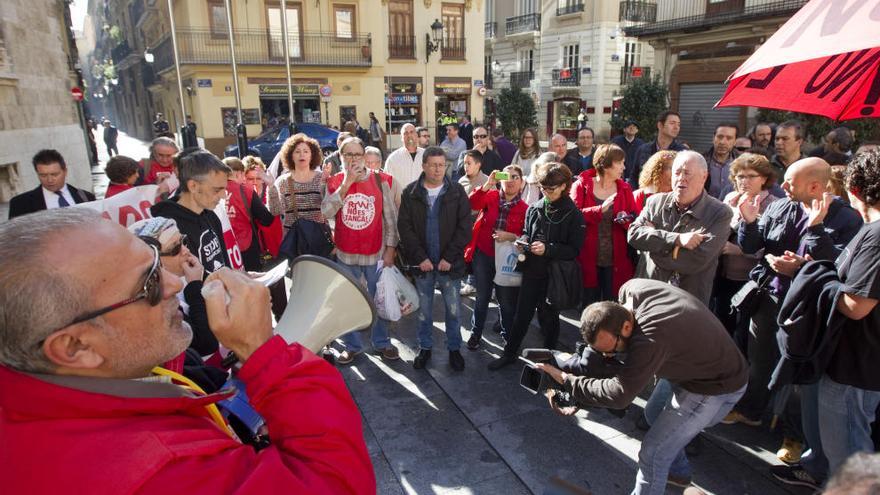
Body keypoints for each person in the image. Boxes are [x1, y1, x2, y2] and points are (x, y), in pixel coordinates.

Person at [0, 209, 375, 493]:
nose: (176, 282)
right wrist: (265, 353)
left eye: (154, 262)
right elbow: (336, 484)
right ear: (75, 346)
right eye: (148, 284)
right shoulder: (159, 470)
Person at [534, 280, 748, 494]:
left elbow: (620, 396)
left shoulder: (650, 339)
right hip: (692, 362)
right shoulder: (632, 289)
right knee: (654, 413)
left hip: (714, 385)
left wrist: (566, 379)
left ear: (626, 327)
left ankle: (663, 470)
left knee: (653, 454)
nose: (610, 355)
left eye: (612, 350)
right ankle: (678, 474)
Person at [725, 157, 862, 476]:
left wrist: (801, 267)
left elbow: (839, 266)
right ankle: (752, 410)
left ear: (815, 185)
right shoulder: (779, 207)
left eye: (790, 181)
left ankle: (794, 436)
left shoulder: (845, 218)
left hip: (809, 311)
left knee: (799, 378)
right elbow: (753, 246)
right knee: (760, 360)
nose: (781, 186)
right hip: (769, 298)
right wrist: (747, 222)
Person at [488, 163, 586, 370]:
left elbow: (574, 250)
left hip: (554, 275)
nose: (546, 192)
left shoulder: (573, 214)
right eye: (543, 188)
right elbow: (526, 231)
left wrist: (549, 249)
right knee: (521, 315)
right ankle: (510, 353)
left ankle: (549, 361)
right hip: (532, 271)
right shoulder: (535, 207)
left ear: (564, 185)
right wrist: (522, 242)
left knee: (549, 319)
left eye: (551, 188)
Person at [322, 137, 401, 364]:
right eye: (349, 155)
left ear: (365, 156)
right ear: (341, 157)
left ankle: (382, 342)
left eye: (358, 154)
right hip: (346, 254)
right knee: (348, 301)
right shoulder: (335, 182)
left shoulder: (379, 180)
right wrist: (346, 184)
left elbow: (390, 219)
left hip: (375, 253)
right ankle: (352, 346)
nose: (354, 159)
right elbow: (326, 212)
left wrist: (390, 250)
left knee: (380, 300)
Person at [397, 146, 473, 371]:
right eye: (433, 165)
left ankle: (454, 349)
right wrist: (420, 257)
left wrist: (449, 257)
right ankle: (425, 349)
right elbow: (405, 228)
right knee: (424, 311)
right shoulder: (411, 193)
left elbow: (465, 228)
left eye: (442, 165)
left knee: (453, 310)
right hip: (423, 265)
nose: (438, 169)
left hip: (449, 265)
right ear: (424, 166)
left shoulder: (456, 191)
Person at [628, 150, 732, 305]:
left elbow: (697, 260)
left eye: (687, 173)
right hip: (647, 295)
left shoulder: (719, 213)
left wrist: (653, 245)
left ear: (704, 176)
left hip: (687, 302)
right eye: (676, 172)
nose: (681, 178)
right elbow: (634, 235)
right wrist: (676, 240)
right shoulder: (655, 202)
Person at [128, 216, 217, 357]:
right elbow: (206, 344)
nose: (186, 250)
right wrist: (195, 286)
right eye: (175, 248)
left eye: (183, 241)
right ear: (154, 260)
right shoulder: (155, 300)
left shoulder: (188, 272)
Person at [713, 153, 779, 340]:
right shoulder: (730, 198)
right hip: (724, 274)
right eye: (740, 176)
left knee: (745, 334)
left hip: (752, 280)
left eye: (751, 176)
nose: (744, 181)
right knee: (722, 325)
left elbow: (773, 246)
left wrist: (740, 251)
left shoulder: (773, 205)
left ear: (764, 179)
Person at [464, 165, 528, 350]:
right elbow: (471, 203)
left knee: (506, 302)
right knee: (482, 297)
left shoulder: (525, 209)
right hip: (484, 254)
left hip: (508, 259)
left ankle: (508, 339)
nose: (510, 181)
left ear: (522, 182)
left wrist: (510, 236)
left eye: (515, 177)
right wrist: (487, 184)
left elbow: (527, 236)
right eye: (506, 176)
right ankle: (476, 334)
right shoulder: (490, 196)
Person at [571, 144, 637, 305]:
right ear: (606, 164)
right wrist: (599, 209)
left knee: (612, 306)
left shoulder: (625, 188)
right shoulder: (581, 185)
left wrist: (625, 218)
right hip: (587, 257)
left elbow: (635, 218)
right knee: (589, 306)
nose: (624, 167)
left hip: (616, 259)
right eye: (620, 162)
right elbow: (573, 217)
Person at [151, 150, 232, 274]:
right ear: (193, 186)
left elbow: (224, 264)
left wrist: (239, 277)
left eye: (224, 189)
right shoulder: (168, 228)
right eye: (216, 190)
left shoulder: (210, 214)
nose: (223, 197)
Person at [221, 157, 277, 272]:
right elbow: (267, 219)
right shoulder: (246, 191)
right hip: (246, 246)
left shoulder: (214, 191)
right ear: (239, 174)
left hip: (224, 249)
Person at [267, 133, 328, 237]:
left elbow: (330, 208)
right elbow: (275, 212)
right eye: (297, 152)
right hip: (293, 240)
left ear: (312, 155)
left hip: (319, 237)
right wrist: (271, 186)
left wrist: (326, 183)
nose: (302, 155)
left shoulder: (322, 178)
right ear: (290, 155)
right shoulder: (283, 181)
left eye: (306, 151)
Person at [9, 149, 95, 218]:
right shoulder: (20, 204)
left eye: (54, 174)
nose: (49, 180)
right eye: (43, 175)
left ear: (65, 171)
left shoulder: (87, 197)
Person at [631, 111, 687, 189]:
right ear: (660, 125)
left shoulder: (683, 152)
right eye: (672, 123)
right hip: (644, 196)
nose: (676, 127)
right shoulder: (643, 149)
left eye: (678, 124)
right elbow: (634, 176)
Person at [385, 123, 425, 191]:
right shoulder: (393, 159)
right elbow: (387, 183)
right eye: (405, 133)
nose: (409, 135)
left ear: (416, 135)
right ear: (401, 138)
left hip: (422, 200)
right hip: (401, 200)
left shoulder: (426, 156)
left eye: (412, 132)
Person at [704, 123, 740, 199]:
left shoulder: (741, 164)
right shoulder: (702, 161)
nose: (722, 142)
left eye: (729, 138)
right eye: (719, 137)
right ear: (713, 138)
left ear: (735, 142)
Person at [611, 120, 645, 185]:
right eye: (629, 126)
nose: (632, 128)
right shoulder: (616, 142)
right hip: (618, 174)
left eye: (634, 127)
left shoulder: (641, 144)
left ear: (637, 130)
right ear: (624, 129)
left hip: (635, 176)